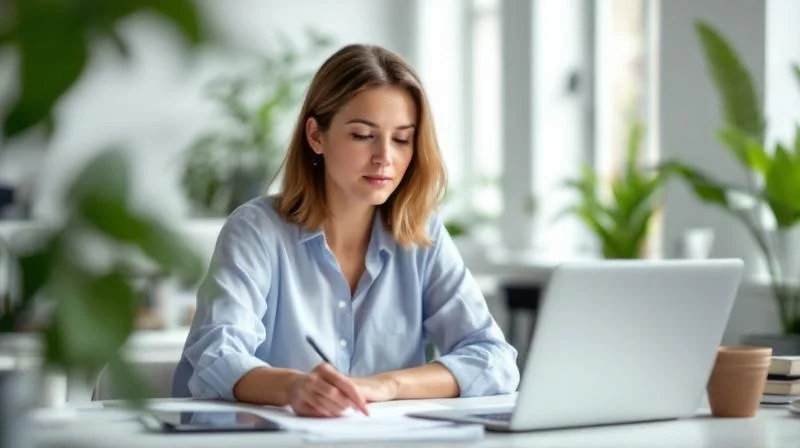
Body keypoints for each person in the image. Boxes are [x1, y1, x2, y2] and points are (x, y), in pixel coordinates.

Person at [171, 44, 519, 417]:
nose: (385, 156)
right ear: (316, 136)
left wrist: (387, 385)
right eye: (363, 135)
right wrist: (295, 387)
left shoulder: (422, 235)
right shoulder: (256, 229)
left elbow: (494, 359)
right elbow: (216, 355)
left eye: (402, 139)